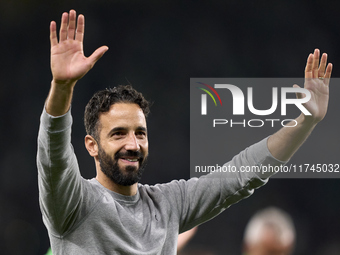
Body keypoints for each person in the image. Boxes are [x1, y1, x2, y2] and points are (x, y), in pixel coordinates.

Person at [37, 10, 332, 255]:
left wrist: (305, 122)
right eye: (118, 134)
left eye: (140, 133)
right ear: (91, 145)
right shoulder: (73, 203)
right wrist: (62, 87)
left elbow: (244, 174)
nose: (132, 144)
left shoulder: (169, 205)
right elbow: (54, 157)